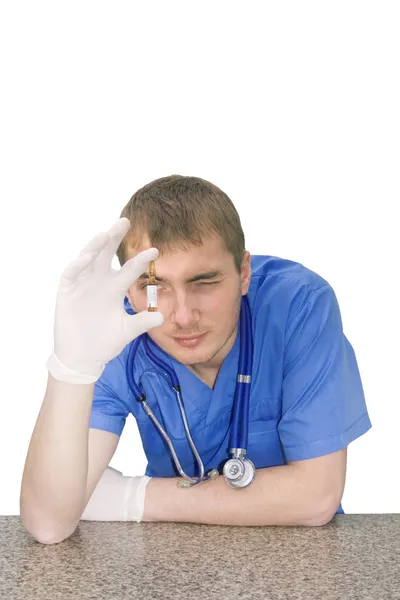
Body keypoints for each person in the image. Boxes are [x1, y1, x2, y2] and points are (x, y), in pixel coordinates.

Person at [20, 175, 372, 544]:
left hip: (302, 558)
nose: (183, 316)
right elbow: (49, 524)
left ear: (244, 273)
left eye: (204, 283)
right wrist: (71, 368)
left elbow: (315, 498)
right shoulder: (115, 334)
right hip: (171, 557)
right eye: (154, 287)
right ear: (129, 288)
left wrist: (133, 498)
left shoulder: (298, 305)